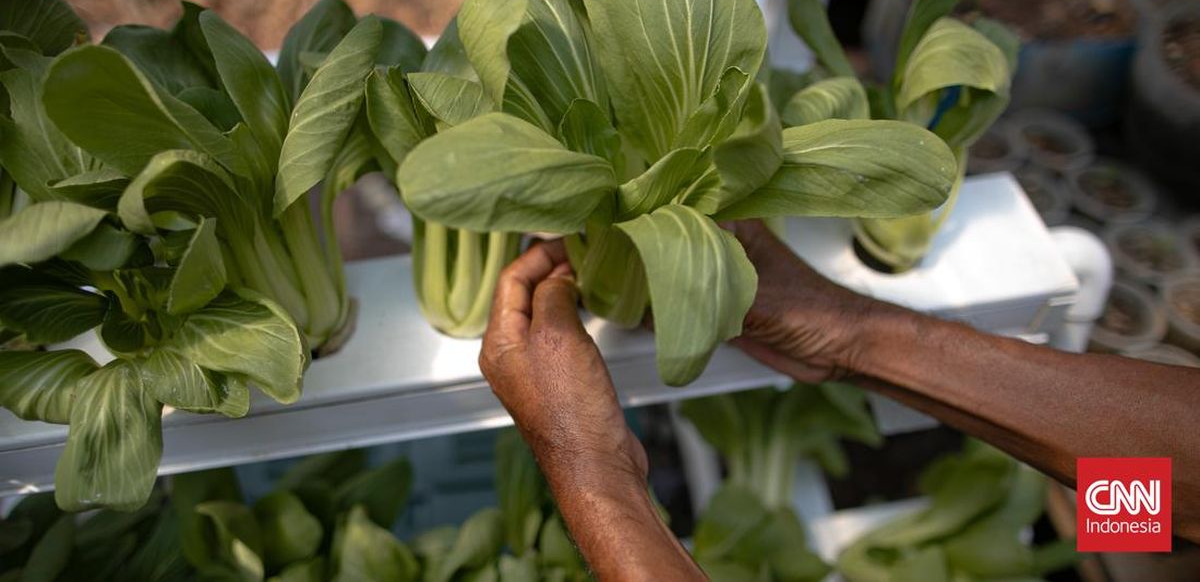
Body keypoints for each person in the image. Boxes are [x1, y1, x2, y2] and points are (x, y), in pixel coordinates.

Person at [478, 220, 1200, 580]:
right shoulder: (1145, 511)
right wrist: (858, 337)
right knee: (1128, 518)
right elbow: (1177, 489)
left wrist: (592, 472)